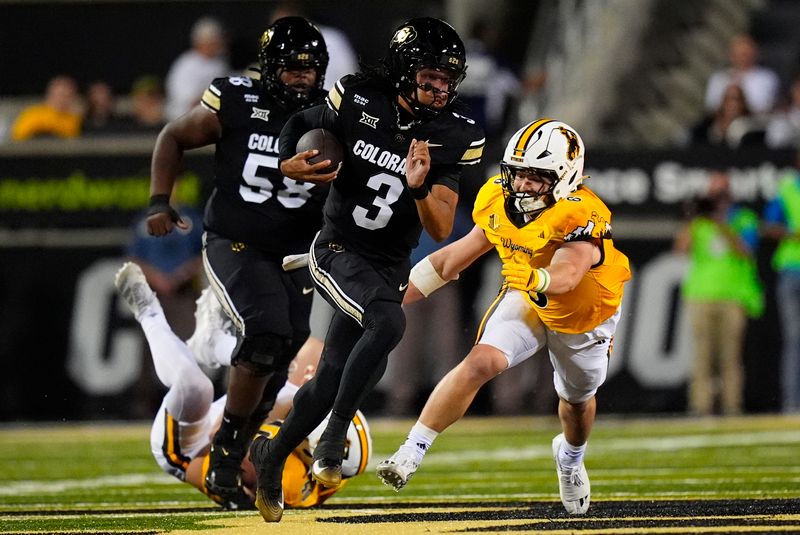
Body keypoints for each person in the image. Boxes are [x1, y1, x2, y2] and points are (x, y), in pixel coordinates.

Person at [248, 17, 485, 523]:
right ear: (402, 70)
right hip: (336, 246)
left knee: (335, 373)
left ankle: (272, 453)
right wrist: (289, 159)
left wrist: (420, 185)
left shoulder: (453, 132)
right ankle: (333, 437)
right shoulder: (358, 98)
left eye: (447, 80)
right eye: (429, 77)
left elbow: (440, 227)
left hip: (387, 265)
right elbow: (299, 123)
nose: (439, 88)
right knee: (389, 323)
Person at [375, 119, 631, 516]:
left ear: (565, 177)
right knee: (482, 361)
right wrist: (383, 299)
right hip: (527, 295)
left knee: (577, 402)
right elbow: (450, 260)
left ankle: (570, 457)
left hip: (583, 314)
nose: (524, 184)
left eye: (537, 177)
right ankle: (412, 449)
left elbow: (568, 272)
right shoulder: (497, 197)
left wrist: (536, 276)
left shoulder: (582, 212)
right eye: (519, 173)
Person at [145, 17, 331, 507]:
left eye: (310, 70)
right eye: (291, 68)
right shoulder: (234, 98)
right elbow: (173, 136)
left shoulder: (332, 114)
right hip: (236, 238)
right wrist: (159, 201)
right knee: (266, 328)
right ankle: (227, 449)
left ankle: (235, 450)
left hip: (295, 252)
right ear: (269, 68)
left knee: (285, 346)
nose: (301, 78)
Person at [113, 262, 370, 510]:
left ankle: (148, 312)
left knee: (195, 386)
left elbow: (222, 438)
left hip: (193, 449)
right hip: (238, 426)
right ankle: (216, 344)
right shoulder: (335, 467)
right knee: (315, 363)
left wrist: (289, 402)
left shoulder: (290, 481)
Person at [674, 171, 763, 416]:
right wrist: (693, 219)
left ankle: (732, 406)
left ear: (730, 194)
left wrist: (722, 223)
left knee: (729, 357)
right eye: (713, 193)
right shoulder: (699, 222)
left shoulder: (744, 219)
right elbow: (681, 249)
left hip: (732, 295)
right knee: (702, 356)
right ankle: (700, 407)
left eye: (721, 193)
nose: (717, 198)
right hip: (701, 294)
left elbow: (746, 250)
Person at [763, 165, 800, 413]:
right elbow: (766, 225)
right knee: (794, 339)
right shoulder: (786, 190)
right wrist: (791, 234)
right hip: (791, 270)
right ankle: (791, 403)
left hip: (790, 271)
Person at [164, 17, 231, 121]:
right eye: (214, 40)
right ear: (201, 41)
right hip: (183, 121)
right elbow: (189, 101)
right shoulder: (186, 64)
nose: (219, 43)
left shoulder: (220, 63)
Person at [704, 34, 779, 115]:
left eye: (746, 54)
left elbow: (763, 106)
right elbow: (711, 105)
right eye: (738, 53)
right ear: (731, 55)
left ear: (755, 54)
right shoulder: (718, 78)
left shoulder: (767, 78)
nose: (742, 57)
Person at [11, 75, 82, 141]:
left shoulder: (74, 120)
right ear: (49, 94)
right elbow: (18, 139)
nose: (62, 99)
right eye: (60, 94)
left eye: (68, 95)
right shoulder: (33, 114)